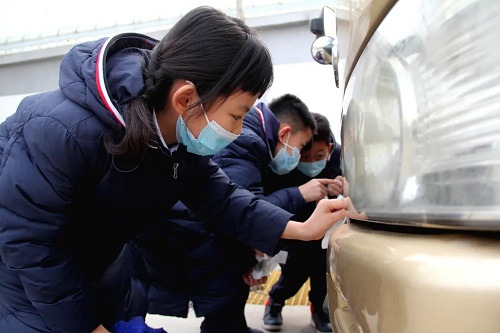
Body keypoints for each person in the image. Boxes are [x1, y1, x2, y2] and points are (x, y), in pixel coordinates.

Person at [0, 6, 348, 333]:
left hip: (102, 273)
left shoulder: (177, 144)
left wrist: (301, 228)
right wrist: (85, 326)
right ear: (185, 99)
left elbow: (223, 199)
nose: (239, 130)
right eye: (237, 115)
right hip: (29, 290)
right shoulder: (63, 130)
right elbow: (30, 245)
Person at [124, 93, 337, 333]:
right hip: (182, 240)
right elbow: (239, 209)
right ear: (284, 133)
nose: (299, 156)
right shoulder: (244, 141)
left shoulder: (255, 142)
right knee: (224, 288)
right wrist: (298, 195)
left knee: (228, 296)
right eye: (299, 147)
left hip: (188, 237)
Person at [263, 113, 342, 333]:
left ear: (330, 147)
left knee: (322, 277)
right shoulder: (284, 164)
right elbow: (273, 200)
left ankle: (318, 311)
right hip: (295, 229)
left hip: (326, 232)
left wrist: (343, 188)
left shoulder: (340, 157)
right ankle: (275, 302)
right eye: (305, 157)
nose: (311, 162)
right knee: (291, 276)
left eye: (319, 155)